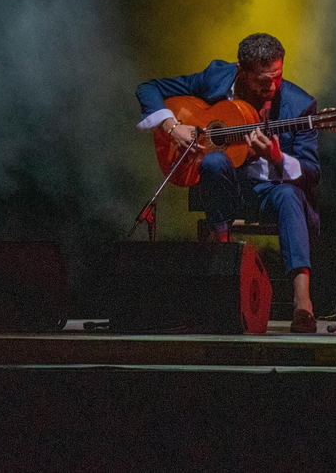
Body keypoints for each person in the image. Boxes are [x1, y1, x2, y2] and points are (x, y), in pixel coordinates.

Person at [135, 32, 321, 333]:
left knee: (289, 195)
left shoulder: (300, 106)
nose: (272, 86)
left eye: (277, 76)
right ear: (241, 71)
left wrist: (277, 157)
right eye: (263, 79)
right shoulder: (217, 78)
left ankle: (303, 305)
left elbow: (311, 173)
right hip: (224, 189)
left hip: (270, 191)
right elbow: (149, 88)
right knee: (213, 160)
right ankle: (222, 275)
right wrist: (173, 127)